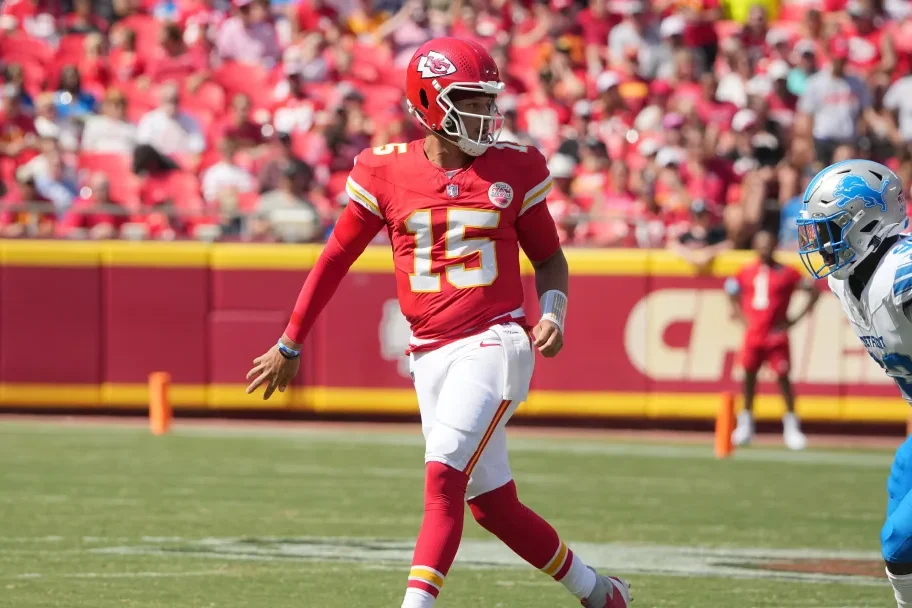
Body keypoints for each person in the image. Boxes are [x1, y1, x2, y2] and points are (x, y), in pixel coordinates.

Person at [245, 37, 631, 608]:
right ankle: (599, 593)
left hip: (496, 341)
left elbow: (549, 258)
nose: (484, 115)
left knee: (441, 480)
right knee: (492, 504)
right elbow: (334, 259)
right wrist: (290, 342)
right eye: (470, 101)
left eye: (486, 102)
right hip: (429, 352)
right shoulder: (385, 172)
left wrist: (553, 312)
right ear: (428, 101)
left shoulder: (513, 169)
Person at [797, 159, 912, 606]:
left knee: (901, 541)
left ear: (867, 225)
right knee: (902, 477)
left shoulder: (902, 274)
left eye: (829, 230)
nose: (819, 244)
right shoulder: (848, 282)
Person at [725, 229, 819, 450]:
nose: (764, 248)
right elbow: (730, 289)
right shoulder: (746, 271)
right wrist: (740, 316)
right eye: (760, 244)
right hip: (753, 334)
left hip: (776, 335)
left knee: (783, 379)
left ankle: (791, 427)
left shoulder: (787, 272)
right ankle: (746, 424)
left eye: (767, 243)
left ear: (774, 244)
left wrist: (795, 319)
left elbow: (812, 291)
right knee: (748, 379)